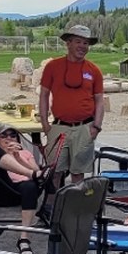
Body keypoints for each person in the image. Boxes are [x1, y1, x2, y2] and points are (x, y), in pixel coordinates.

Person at [38, 24, 105, 185]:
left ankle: (75, 201)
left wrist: (96, 127)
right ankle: (53, 201)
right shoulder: (53, 66)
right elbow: (44, 95)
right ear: (68, 43)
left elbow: (99, 100)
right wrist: (45, 124)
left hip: (84, 128)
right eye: (78, 42)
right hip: (59, 127)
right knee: (54, 172)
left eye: (86, 43)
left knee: (78, 173)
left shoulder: (94, 70)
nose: (82, 46)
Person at [0, 124, 46, 254]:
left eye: (13, 135)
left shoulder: (25, 153)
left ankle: (24, 239)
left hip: (26, 189)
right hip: (5, 188)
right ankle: (29, 175)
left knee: (30, 185)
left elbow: (38, 173)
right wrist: (7, 154)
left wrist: (18, 158)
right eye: (3, 136)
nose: (9, 138)